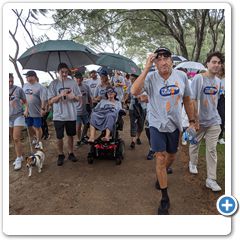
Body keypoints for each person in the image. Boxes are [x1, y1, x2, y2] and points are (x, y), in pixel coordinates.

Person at [131, 47, 195, 215]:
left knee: (172, 155)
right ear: (155, 62)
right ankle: (164, 197)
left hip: (174, 125)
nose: (163, 61)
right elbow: (134, 91)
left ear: (172, 61)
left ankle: (162, 173)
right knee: (160, 157)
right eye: (159, 58)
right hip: (156, 123)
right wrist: (146, 68)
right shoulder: (151, 77)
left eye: (167, 57)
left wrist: (192, 121)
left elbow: (188, 99)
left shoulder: (181, 76)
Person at [189, 51, 224, 192]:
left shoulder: (218, 81)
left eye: (219, 63)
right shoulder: (199, 78)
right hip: (200, 120)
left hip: (214, 121)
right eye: (214, 62)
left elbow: (215, 101)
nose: (217, 65)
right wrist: (195, 120)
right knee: (194, 143)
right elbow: (192, 99)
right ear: (207, 63)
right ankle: (193, 162)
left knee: (211, 149)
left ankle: (211, 179)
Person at [48, 63, 82, 166]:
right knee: (59, 137)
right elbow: (50, 101)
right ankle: (60, 154)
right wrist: (60, 95)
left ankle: (71, 152)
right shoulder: (53, 84)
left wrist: (73, 97)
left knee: (71, 135)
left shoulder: (73, 83)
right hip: (58, 115)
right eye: (62, 72)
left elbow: (79, 98)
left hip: (71, 114)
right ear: (58, 72)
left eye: (66, 72)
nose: (64, 74)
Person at [23, 71, 48, 149]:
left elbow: (44, 99)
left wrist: (43, 109)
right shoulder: (25, 85)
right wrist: (25, 109)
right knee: (29, 126)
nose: (27, 78)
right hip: (28, 111)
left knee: (37, 127)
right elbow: (24, 98)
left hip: (37, 111)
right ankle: (34, 137)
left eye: (28, 76)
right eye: (26, 77)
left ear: (34, 77)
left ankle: (38, 141)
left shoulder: (40, 87)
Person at [9, 73, 28, 170]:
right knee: (13, 138)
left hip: (18, 116)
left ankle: (18, 159)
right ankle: (20, 155)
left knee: (16, 138)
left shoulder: (18, 89)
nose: (10, 82)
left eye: (11, 80)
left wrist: (26, 110)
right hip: (8, 117)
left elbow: (25, 101)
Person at [127, 74, 148, 149]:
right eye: (131, 79)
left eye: (133, 79)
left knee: (141, 125)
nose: (132, 80)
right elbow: (127, 96)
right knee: (133, 124)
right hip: (132, 108)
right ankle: (133, 141)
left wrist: (140, 96)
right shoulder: (130, 87)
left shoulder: (144, 87)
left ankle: (138, 137)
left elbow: (146, 97)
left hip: (142, 108)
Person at [74, 71, 92, 146]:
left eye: (79, 78)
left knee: (87, 125)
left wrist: (91, 107)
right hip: (76, 111)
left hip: (85, 110)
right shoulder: (72, 88)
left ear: (82, 79)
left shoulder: (86, 86)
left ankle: (83, 136)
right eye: (77, 78)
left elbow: (89, 98)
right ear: (74, 79)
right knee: (78, 127)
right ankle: (78, 140)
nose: (78, 80)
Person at [217, 64, 225, 144]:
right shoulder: (213, 78)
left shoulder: (225, 79)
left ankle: (220, 137)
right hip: (213, 99)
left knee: (222, 118)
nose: (219, 72)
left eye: (221, 70)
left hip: (222, 100)